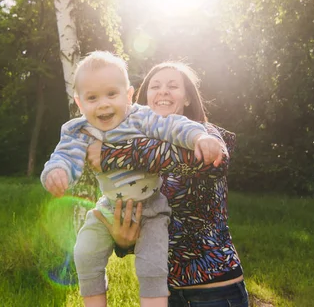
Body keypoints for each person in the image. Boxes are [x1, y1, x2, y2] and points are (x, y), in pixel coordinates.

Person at [41, 51, 225, 307]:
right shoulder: (79, 130)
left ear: (128, 96)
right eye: (92, 98)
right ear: (80, 103)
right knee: (84, 252)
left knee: (152, 264)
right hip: (110, 207)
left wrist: (200, 138)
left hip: (206, 277)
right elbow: (65, 154)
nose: (103, 104)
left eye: (172, 86)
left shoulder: (146, 119)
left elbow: (174, 128)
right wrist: (57, 172)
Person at [87, 62, 248, 307]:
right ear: (144, 98)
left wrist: (111, 154)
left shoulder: (206, 133)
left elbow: (214, 162)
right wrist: (122, 241)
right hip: (162, 295)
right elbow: (146, 226)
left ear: (187, 99)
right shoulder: (133, 143)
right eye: (155, 86)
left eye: (173, 86)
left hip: (214, 292)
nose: (163, 91)